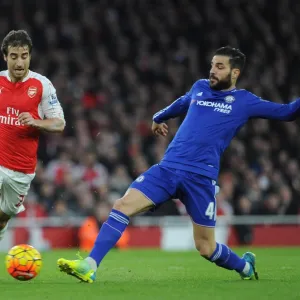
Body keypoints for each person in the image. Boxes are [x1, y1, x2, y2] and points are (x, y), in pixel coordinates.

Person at [58, 46, 300, 283]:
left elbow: (287, 112)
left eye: (219, 66)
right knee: (122, 205)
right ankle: (90, 266)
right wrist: (158, 117)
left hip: (200, 179)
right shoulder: (200, 88)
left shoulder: (245, 101)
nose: (212, 71)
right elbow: (181, 103)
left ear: (235, 72)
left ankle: (245, 266)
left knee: (206, 247)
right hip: (168, 168)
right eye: (212, 65)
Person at [0, 30, 65, 241]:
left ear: (30, 56)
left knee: (2, 218)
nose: (19, 62)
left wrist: (36, 121)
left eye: (24, 56)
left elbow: (60, 123)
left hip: (21, 170)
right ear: (5, 57)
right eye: (14, 56)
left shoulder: (42, 85)